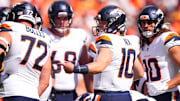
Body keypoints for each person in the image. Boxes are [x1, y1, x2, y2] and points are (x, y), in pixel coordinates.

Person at [62, 5, 145, 101]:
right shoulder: (131, 41)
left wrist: (75, 69)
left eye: (104, 23)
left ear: (116, 23)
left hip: (107, 95)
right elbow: (139, 73)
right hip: (126, 95)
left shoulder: (107, 39)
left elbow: (100, 66)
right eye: (99, 22)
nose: (99, 26)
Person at [0, 2, 51, 101]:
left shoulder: (11, 27)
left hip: (9, 92)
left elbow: (1, 47)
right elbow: (45, 81)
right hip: (33, 96)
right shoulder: (45, 38)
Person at [42, 1, 89, 101]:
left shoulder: (79, 36)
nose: (62, 22)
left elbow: (86, 68)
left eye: (65, 18)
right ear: (51, 18)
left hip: (71, 93)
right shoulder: (43, 35)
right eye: (58, 18)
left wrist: (90, 91)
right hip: (47, 92)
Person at [137, 5, 180, 101]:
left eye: (149, 22)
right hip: (151, 95)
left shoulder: (166, 38)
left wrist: (166, 85)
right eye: (143, 23)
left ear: (158, 22)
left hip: (169, 94)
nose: (146, 26)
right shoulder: (143, 42)